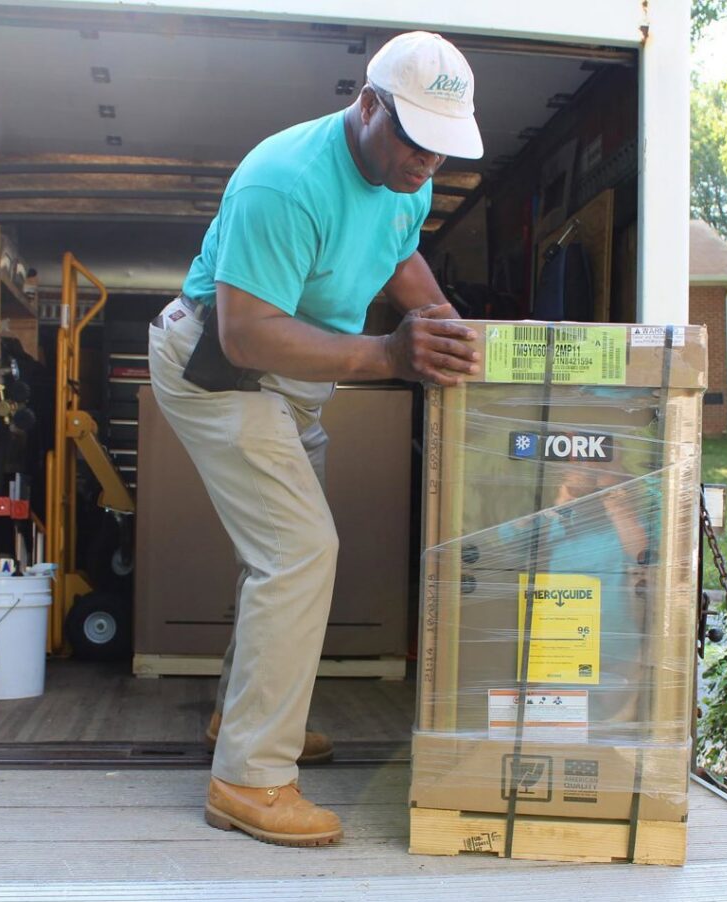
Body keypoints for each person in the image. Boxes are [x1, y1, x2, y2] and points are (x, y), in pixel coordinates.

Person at [148, 30, 483, 847]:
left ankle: (242, 713)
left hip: (291, 375)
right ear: (367, 104)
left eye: (443, 151)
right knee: (299, 549)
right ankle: (250, 778)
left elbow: (400, 257)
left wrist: (445, 327)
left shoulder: (407, 176)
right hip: (216, 364)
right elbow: (246, 335)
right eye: (414, 142)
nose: (425, 165)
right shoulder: (283, 180)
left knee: (281, 546)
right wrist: (389, 355)